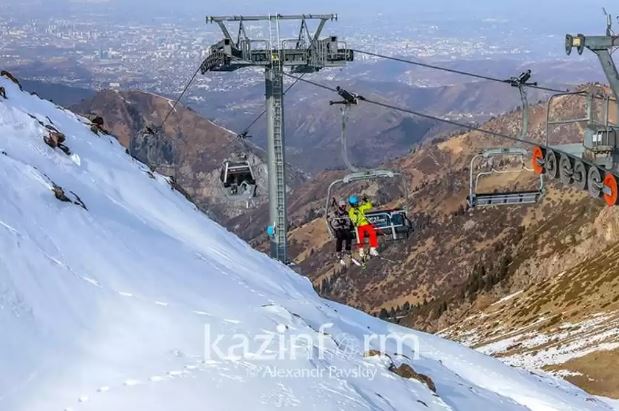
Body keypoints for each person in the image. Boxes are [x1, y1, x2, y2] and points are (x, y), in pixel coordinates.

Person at [329, 200, 354, 265]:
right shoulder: (336, 213)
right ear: (340, 206)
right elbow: (332, 223)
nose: (344, 207)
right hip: (338, 229)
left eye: (345, 206)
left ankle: (348, 249)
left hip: (345, 228)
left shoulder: (346, 213)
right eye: (343, 206)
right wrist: (338, 223)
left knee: (349, 235)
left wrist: (345, 223)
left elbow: (349, 222)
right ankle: (338, 251)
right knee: (339, 236)